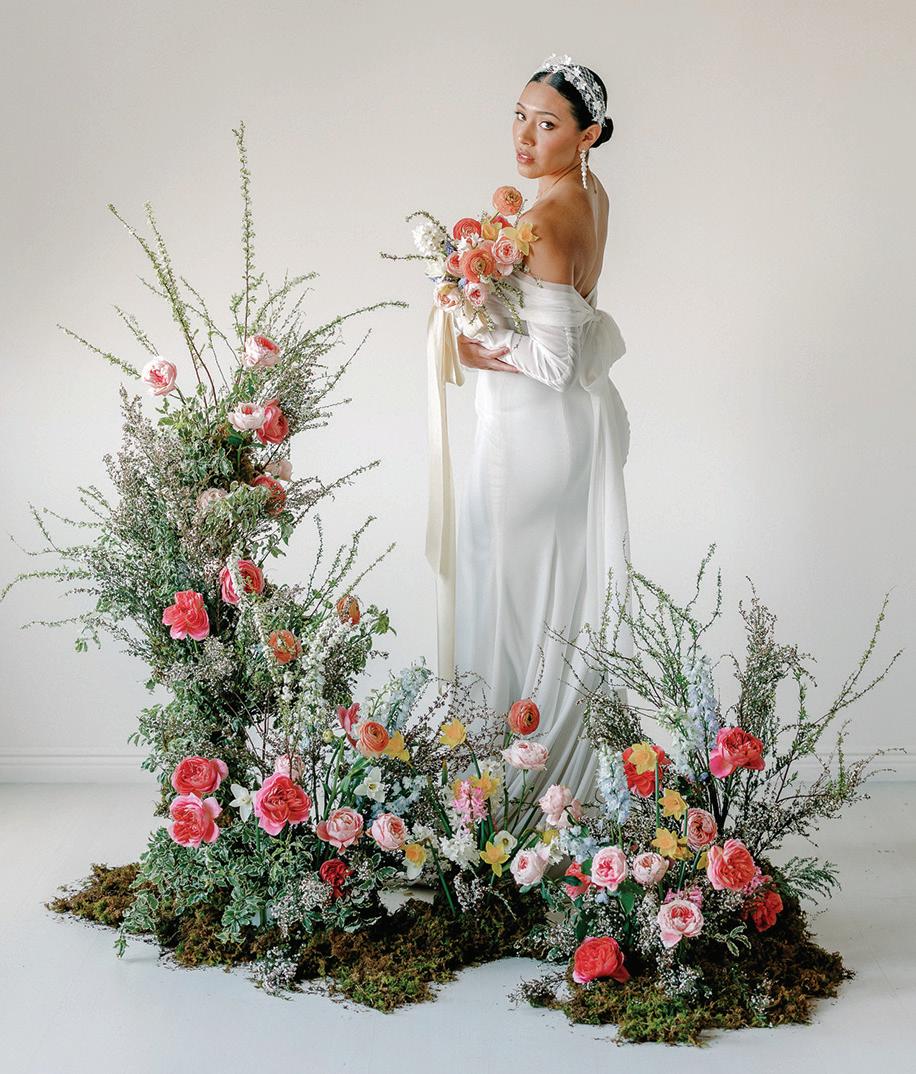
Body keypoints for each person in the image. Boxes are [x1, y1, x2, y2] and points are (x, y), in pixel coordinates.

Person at [452, 54, 634, 804]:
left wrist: (477, 334)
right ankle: (549, 776)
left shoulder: (543, 223)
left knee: (503, 592)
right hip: (565, 432)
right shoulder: (588, 196)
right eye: (520, 116)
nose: (525, 136)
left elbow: (553, 363)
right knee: (547, 596)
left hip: (529, 438)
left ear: (586, 135)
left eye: (548, 123)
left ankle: (503, 789)